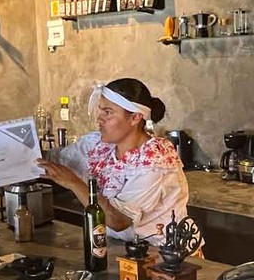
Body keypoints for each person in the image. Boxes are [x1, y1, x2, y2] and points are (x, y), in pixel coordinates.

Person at [36, 79, 189, 245]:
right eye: (100, 111)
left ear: (135, 118)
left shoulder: (155, 161)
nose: (99, 119)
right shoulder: (99, 145)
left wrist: (73, 182)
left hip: (164, 254)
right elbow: (51, 159)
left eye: (108, 112)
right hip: (121, 248)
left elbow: (118, 221)